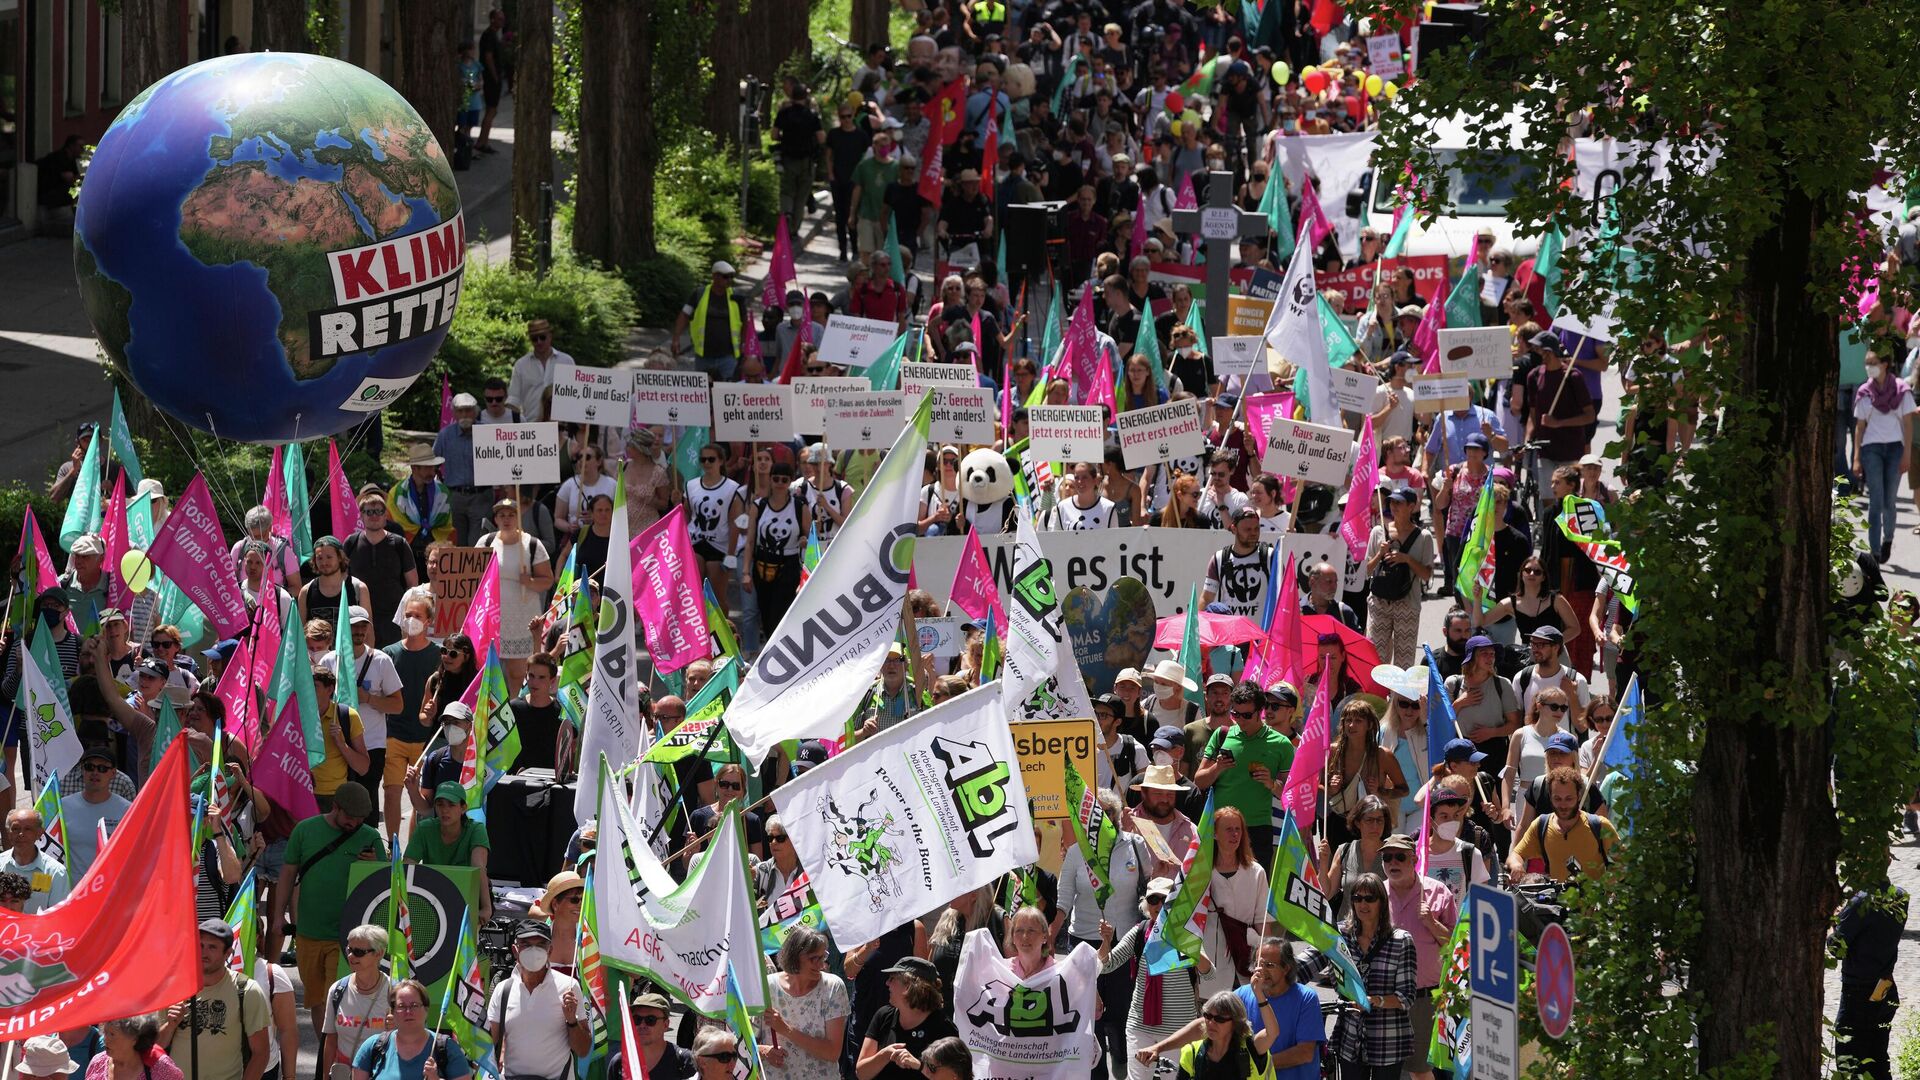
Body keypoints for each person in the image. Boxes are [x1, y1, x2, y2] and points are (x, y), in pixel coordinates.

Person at [271, 782, 385, 1033]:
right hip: (308, 932)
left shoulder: (370, 837)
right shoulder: (305, 830)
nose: (354, 824)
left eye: (359, 819)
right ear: (335, 807)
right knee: (316, 1000)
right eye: (349, 817)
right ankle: (326, 1051)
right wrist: (279, 916)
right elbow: (288, 873)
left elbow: (383, 885)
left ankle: (336, 1051)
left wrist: (376, 864)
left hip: (347, 936)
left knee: (338, 997)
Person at [1101, 877, 1210, 1080]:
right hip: (1140, 1027)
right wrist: (1106, 943)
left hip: (1178, 1031)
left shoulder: (1186, 935)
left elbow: (1209, 973)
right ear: (1146, 905)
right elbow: (1107, 965)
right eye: (1153, 900)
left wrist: (1192, 951)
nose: (1159, 905)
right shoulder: (1139, 932)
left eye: (1165, 899)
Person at [1192, 682, 1293, 866]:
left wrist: (1271, 783)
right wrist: (1218, 768)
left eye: (1246, 715)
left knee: (1255, 889)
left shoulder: (1282, 744)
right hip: (1220, 826)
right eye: (1235, 713)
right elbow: (1199, 781)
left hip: (1257, 828)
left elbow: (1290, 795)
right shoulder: (1222, 735)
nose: (1240, 720)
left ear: (1260, 711)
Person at [1327, 872, 1415, 1080]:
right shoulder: (1339, 935)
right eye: (1357, 898)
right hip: (1350, 1040)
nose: (1362, 904)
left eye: (1369, 898)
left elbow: (1406, 997)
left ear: (1382, 903)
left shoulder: (1401, 941)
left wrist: (1374, 1001)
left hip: (1388, 1042)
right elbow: (1307, 963)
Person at [322, 606, 404, 829]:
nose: (359, 631)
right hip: (336, 744)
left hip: (372, 745)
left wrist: (367, 698)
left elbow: (398, 705)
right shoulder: (329, 661)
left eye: (363, 626)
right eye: (353, 626)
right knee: (337, 805)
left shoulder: (381, 661)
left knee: (365, 806)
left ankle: (367, 852)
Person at [161, 920, 270, 1080]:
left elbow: (261, 1053)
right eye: (200, 945)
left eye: (212, 947)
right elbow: (154, 1047)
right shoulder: (173, 987)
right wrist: (170, 1026)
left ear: (227, 953)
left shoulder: (247, 991)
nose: (203, 953)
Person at [487, 921, 594, 1079]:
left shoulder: (569, 987)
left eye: (540, 944)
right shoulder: (503, 990)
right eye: (526, 944)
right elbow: (488, 1042)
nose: (534, 950)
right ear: (515, 951)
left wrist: (572, 1021)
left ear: (549, 950)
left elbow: (583, 1050)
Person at [477, 499, 554, 690]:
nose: (507, 519)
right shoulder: (485, 543)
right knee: (486, 673)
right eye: (502, 515)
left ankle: (514, 713)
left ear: (519, 518)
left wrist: (529, 581)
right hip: (491, 618)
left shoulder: (532, 545)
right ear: (495, 519)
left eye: (511, 514)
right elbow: (474, 576)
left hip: (521, 619)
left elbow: (548, 580)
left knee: (517, 673)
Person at [755, 924, 848, 1080]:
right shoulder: (766, 987)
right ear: (794, 956)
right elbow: (744, 1042)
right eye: (814, 959)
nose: (821, 964)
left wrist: (786, 1029)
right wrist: (763, 1050)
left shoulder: (833, 987)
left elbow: (832, 1052)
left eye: (823, 956)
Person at [1833, 884, 1907, 1080]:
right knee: (1878, 1056)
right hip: (1884, 987)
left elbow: (1836, 948)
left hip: (1858, 993)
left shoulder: (1859, 902)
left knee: (1849, 1057)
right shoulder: (1900, 897)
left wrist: (1838, 920)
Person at [1197, 807, 1270, 1000]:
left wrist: (1266, 958)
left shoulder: (1256, 872)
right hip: (1211, 961)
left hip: (1246, 957)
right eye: (1228, 829)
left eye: (1238, 829)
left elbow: (1263, 920)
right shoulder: (1200, 872)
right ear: (1214, 833)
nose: (1235, 834)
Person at [381, 594, 441, 830]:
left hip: (426, 740)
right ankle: (393, 847)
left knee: (420, 800)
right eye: (408, 615)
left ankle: (413, 853)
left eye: (417, 616)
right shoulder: (389, 653)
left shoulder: (439, 655)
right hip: (394, 735)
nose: (411, 620)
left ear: (428, 621)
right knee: (392, 793)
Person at [1506, 766, 1619, 882]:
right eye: (1557, 799)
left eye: (1569, 799)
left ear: (1579, 796)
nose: (1563, 805)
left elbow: (1623, 863)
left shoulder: (1600, 826)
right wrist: (1516, 865)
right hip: (1556, 899)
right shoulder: (1541, 825)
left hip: (1595, 899)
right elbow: (1515, 855)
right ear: (1550, 797)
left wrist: (1609, 888)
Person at [1854, 348, 1915, 564]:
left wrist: (1907, 453)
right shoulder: (1864, 392)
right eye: (1867, 363)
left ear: (1885, 364)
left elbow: (1907, 424)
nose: (1869, 367)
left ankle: (1887, 539)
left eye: (1873, 362)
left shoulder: (1901, 390)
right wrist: (1856, 457)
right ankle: (1875, 552)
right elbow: (1859, 427)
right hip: (1872, 449)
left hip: (1895, 449)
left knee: (1889, 501)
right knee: (1875, 501)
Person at [854, 957, 957, 1080]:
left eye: (892, 979)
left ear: (908, 986)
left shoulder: (944, 1029)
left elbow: (952, 1077)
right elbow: (861, 1073)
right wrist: (885, 1055)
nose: (887, 983)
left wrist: (918, 1066)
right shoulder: (883, 1015)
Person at [1323, 701, 1409, 850]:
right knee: (1339, 869)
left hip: (1373, 823)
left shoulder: (1383, 755)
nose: (1351, 725)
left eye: (1358, 721)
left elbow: (1403, 789)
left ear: (1369, 725)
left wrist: (1380, 791)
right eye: (1348, 720)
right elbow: (1318, 783)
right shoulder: (1333, 752)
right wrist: (1330, 789)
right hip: (1339, 820)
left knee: (1374, 869)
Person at [1364, 489, 1435, 666]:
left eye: (1399, 503)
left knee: (1404, 661)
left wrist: (1407, 559)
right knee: (1375, 658)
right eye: (1391, 502)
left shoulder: (1424, 537)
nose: (1393, 506)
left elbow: (1426, 575)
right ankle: (1377, 694)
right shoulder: (1378, 532)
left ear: (1412, 507)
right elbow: (1367, 570)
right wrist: (1380, 554)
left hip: (1408, 604)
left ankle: (1400, 695)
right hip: (1379, 602)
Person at [353, 979, 474, 1080]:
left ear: (426, 1009)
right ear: (393, 1011)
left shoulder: (447, 1049)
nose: (408, 1012)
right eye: (401, 1006)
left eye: (414, 1005)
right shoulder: (372, 1047)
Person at [406, 782, 493, 922]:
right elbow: (407, 867)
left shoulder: (476, 829)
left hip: (466, 897)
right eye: (440, 805)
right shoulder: (424, 828)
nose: (445, 810)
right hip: (431, 897)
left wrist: (486, 908)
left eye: (451, 805)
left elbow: (479, 868)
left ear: (463, 808)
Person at [744, 456, 812, 634]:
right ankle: (767, 647)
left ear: (790, 481)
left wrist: (805, 540)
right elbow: (750, 540)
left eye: (785, 479)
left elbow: (810, 534)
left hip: (787, 566)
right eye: (776, 478)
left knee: (779, 613)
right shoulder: (759, 506)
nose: (780, 483)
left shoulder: (799, 507)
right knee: (765, 613)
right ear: (770, 479)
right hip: (761, 564)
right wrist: (745, 572)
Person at [320, 925, 393, 1076]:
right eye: (349, 950)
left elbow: (415, 1037)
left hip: (380, 1072)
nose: (351, 956)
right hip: (346, 1072)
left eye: (359, 952)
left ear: (379, 953)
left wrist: (398, 1027)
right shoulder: (337, 990)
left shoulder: (394, 991)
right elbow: (331, 1038)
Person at [1445, 636, 1522, 768]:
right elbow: (1442, 721)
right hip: (1461, 751)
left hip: (1493, 751)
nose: (1490, 658)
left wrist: (1492, 732)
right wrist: (1460, 703)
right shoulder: (1453, 683)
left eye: (1492, 654)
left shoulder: (1503, 685)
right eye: (1484, 654)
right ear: (1472, 657)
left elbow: (1514, 724)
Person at [1318, 795, 1390, 924]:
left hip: (1382, 928)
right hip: (1347, 929)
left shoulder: (1393, 852)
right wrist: (1323, 863)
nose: (1375, 826)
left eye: (1379, 820)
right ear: (1358, 822)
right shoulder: (1344, 851)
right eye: (1369, 820)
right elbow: (1327, 892)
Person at [60, 745, 130, 876]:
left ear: (113, 773)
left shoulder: (127, 811)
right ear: (82, 770)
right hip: (72, 891)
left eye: (102, 768)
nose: (95, 772)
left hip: (109, 891)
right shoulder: (63, 806)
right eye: (89, 767)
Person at [673, 262, 749, 381]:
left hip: (728, 356)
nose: (729, 280)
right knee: (703, 390)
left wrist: (743, 344)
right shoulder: (699, 294)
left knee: (726, 390)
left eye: (731, 277)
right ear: (715, 276)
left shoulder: (736, 296)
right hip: (704, 356)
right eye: (725, 276)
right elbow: (684, 314)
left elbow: (745, 321)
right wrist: (676, 338)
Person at [308, 668, 372, 808]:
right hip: (303, 795)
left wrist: (342, 744)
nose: (308, 690)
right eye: (305, 684)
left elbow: (363, 767)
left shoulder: (347, 716)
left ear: (329, 689)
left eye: (314, 686)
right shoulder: (296, 716)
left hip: (336, 799)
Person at [434, 395, 492, 544]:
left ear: (475, 412)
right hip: (455, 497)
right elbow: (432, 463)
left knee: (478, 544)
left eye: (468, 410)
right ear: (454, 413)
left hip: (481, 496)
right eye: (460, 411)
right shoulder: (445, 435)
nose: (464, 415)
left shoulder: (488, 433)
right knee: (456, 544)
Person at [1129, 764, 1199, 879]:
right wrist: (1123, 830)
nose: (1165, 799)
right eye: (1158, 793)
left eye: (1170, 794)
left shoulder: (1191, 829)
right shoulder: (1128, 823)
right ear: (1143, 793)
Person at [1201, 509, 1270, 619]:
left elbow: (1285, 597)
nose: (1253, 533)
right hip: (1230, 634)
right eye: (1247, 529)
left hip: (1262, 634)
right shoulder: (1219, 559)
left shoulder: (1270, 557)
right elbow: (1206, 599)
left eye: (1256, 529)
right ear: (1234, 529)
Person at [606, 992, 693, 1080]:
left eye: (650, 1020)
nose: (642, 1025)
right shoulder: (619, 1063)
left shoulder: (685, 1062)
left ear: (666, 1025)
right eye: (637, 1019)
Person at [0, 807, 68, 911]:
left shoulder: (55, 872)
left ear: (40, 833)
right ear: (8, 833)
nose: (21, 834)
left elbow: (59, 915)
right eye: (15, 829)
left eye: (28, 829)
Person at [509, 654, 566, 773]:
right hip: (517, 782)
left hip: (551, 784)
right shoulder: (513, 708)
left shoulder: (562, 712)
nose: (535, 682)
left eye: (541, 677)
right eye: (531, 676)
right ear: (526, 675)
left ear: (552, 680)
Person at [90, 1014, 187, 1080]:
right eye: (105, 1033)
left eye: (112, 1034)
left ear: (134, 1038)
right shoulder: (97, 1062)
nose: (105, 1039)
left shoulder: (160, 1068)